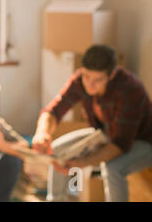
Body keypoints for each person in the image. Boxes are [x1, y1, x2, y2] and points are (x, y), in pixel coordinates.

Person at [32, 45, 152, 201]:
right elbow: (53, 111)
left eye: (97, 80)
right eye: (87, 76)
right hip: (107, 134)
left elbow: (120, 144)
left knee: (112, 168)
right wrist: (42, 133)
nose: (89, 84)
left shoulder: (129, 89)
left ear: (111, 75)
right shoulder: (80, 80)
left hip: (143, 141)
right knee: (58, 150)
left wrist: (83, 162)